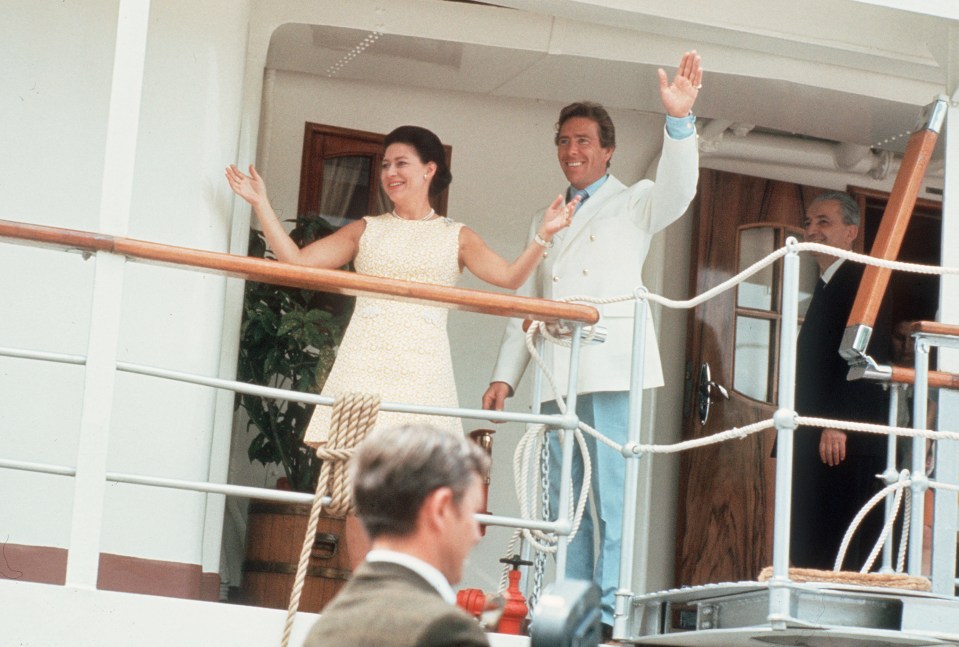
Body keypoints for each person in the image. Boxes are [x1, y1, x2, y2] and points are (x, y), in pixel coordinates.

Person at [482, 51, 703, 630]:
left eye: (583, 140)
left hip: (611, 366)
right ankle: (571, 608)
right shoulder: (546, 214)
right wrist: (506, 374)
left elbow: (679, 192)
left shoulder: (635, 201)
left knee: (612, 494)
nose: (572, 151)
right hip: (557, 367)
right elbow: (526, 303)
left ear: (607, 150)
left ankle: (611, 611)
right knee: (564, 503)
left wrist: (679, 122)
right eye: (563, 140)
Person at [226, 125, 577, 446]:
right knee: (357, 489)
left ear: (429, 169)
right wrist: (262, 204)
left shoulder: (457, 236)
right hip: (364, 367)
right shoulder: (366, 229)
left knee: (412, 489)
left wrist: (543, 235)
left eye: (401, 164)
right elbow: (297, 263)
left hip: (423, 371)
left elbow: (511, 276)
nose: (390, 173)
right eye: (385, 165)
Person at [303, 423, 491, 647]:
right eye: (472, 513)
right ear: (440, 509)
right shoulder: (447, 631)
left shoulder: (327, 626)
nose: (476, 535)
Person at [790, 191, 892, 570]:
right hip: (815, 434)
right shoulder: (828, 282)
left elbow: (868, 354)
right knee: (813, 536)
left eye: (824, 222)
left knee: (840, 538)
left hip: (843, 439)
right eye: (808, 223)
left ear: (851, 232)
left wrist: (837, 422)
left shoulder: (861, 281)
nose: (812, 230)